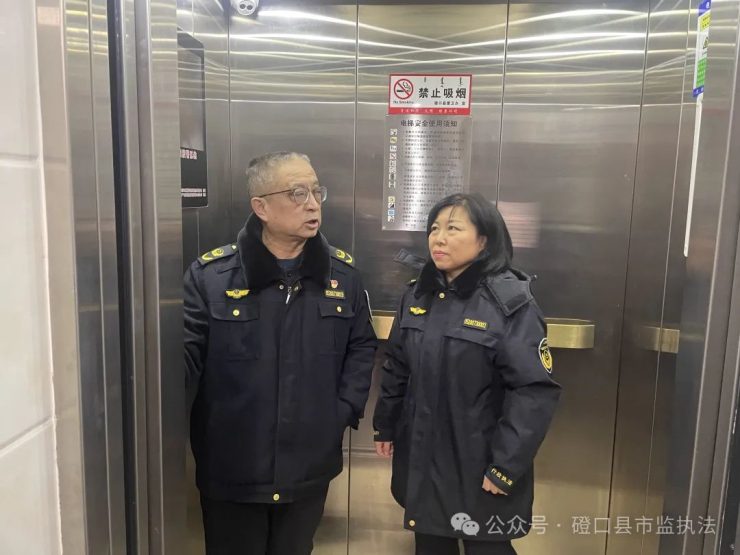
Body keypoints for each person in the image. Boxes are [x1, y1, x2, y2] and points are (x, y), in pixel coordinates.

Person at [184, 151, 378, 555]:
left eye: (316, 192)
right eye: (297, 193)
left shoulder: (342, 277)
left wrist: (341, 411)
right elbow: (182, 363)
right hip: (231, 468)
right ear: (262, 208)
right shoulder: (211, 278)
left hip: (308, 467)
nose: (312, 204)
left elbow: (361, 346)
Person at [373, 193, 561, 555]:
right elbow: (397, 365)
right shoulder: (417, 296)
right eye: (434, 229)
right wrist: (386, 425)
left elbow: (532, 392)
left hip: (480, 463)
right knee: (431, 545)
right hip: (423, 458)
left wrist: (506, 466)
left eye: (453, 229)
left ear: (484, 240)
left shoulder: (511, 304)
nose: (439, 238)